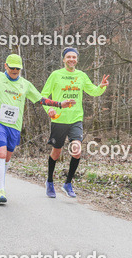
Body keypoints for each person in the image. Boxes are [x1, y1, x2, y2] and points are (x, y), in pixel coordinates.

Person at [0, 39, 74, 204]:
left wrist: (59, 104)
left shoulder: (25, 84)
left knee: (7, 158)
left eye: (18, 69)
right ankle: (2, 190)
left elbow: (40, 99)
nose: (15, 71)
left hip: (14, 126)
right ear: (5, 66)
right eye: (12, 68)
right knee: (0, 154)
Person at [41, 47, 109, 198]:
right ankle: (50, 181)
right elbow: (44, 96)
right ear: (64, 59)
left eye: (74, 57)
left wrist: (101, 87)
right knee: (56, 152)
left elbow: (93, 91)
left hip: (76, 119)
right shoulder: (55, 75)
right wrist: (49, 110)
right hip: (58, 119)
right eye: (68, 57)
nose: (71, 59)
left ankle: (67, 183)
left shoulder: (81, 76)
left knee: (77, 151)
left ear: (77, 60)